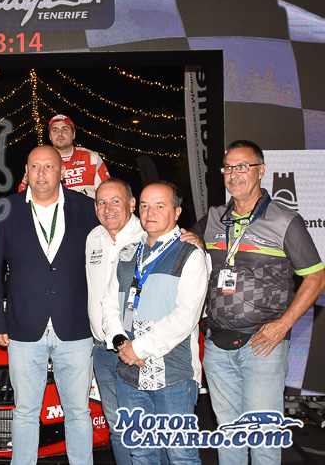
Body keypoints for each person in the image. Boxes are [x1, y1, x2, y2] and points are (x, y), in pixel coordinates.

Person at [190, 140, 325, 465]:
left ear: (261, 170)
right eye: (228, 167)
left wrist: (283, 325)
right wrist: (189, 237)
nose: (234, 174)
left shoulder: (284, 220)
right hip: (217, 346)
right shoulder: (214, 218)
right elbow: (185, 241)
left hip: (263, 346)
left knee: (263, 437)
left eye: (243, 166)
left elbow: (317, 277)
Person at [0, 145, 99, 465]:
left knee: (78, 411)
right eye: (35, 167)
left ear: (62, 171)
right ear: (26, 172)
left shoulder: (87, 208)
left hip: (76, 325)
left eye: (49, 166)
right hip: (23, 326)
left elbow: (117, 243)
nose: (42, 173)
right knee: (24, 412)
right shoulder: (5, 209)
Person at [102, 181, 209, 465]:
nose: (150, 212)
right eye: (145, 205)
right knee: (141, 452)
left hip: (173, 372)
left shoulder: (190, 254)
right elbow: (109, 304)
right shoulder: (128, 254)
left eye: (160, 206)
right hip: (129, 371)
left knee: (180, 454)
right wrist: (120, 341)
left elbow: (186, 316)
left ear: (177, 212)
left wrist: (139, 348)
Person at [85, 178, 142, 465]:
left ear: (132, 204)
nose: (108, 208)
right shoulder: (93, 237)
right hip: (102, 349)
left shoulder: (148, 234)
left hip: (138, 350)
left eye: (115, 201)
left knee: (143, 427)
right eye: (101, 202)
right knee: (117, 426)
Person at [19, 114, 109, 197]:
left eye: (65, 129)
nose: (60, 133)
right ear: (50, 136)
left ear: (74, 134)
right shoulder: (40, 160)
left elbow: (108, 191)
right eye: (55, 130)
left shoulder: (91, 157)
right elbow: (23, 194)